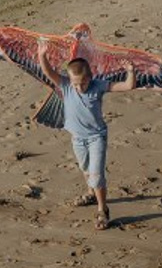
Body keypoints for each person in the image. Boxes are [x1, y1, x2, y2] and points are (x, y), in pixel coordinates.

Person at [39, 43, 136, 230]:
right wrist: (42, 55)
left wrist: (130, 71)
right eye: (75, 83)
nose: (79, 87)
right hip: (77, 138)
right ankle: (91, 193)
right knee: (85, 169)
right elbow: (48, 72)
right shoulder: (66, 86)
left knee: (97, 174)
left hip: (96, 137)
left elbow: (127, 86)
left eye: (82, 82)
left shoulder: (98, 86)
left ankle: (102, 209)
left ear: (90, 77)